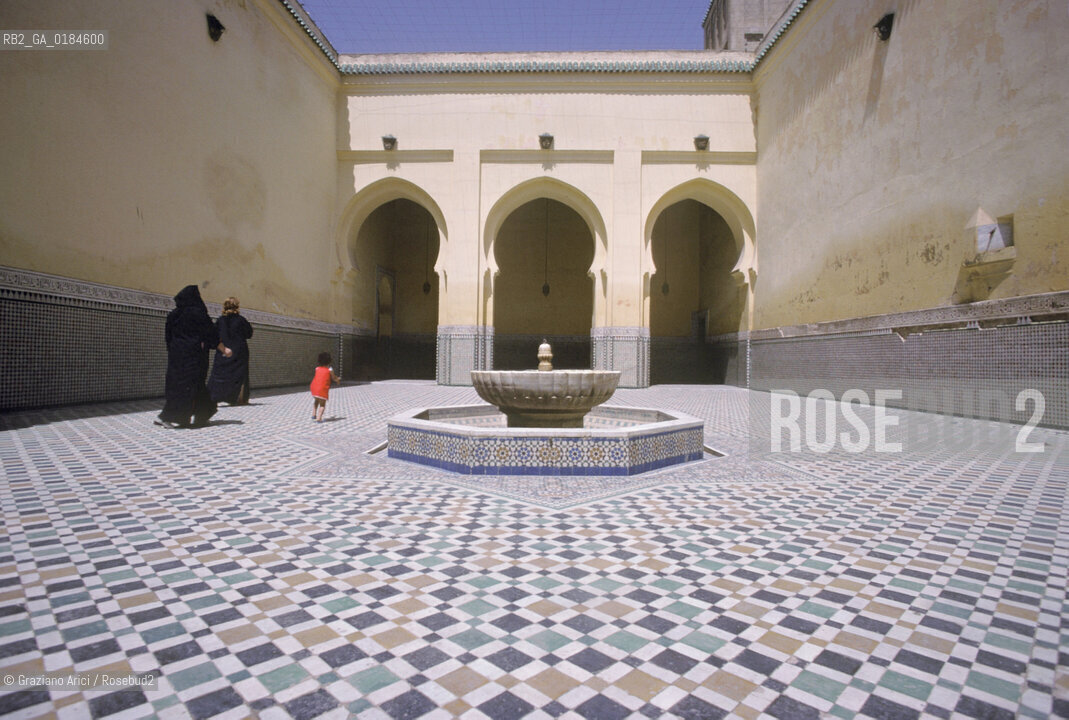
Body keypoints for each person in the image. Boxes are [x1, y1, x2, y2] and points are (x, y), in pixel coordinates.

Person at [156, 285, 231, 428]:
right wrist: (223, 349)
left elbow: (168, 336)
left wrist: (173, 351)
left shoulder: (174, 314)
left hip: (177, 356)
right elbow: (210, 333)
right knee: (193, 385)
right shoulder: (198, 313)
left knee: (182, 385)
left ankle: (200, 416)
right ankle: (171, 417)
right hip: (194, 356)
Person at [208, 297, 254, 405]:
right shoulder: (241, 320)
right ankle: (239, 399)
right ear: (237, 306)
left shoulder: (220, 320)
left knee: (220, 374)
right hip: (239, 351)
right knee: (240, 375)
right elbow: (249, 334)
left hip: (224, 351)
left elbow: (214, 335)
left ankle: (216, 396)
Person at [309, 352, 341, 422]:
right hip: (322, 389)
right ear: (329, 361)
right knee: (322, 404)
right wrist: (338, 379)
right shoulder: (330, 369)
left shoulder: (317, 368)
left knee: (316, 400)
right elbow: (333, 378)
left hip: (314, 388)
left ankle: (314, 414)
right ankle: (319, 418)